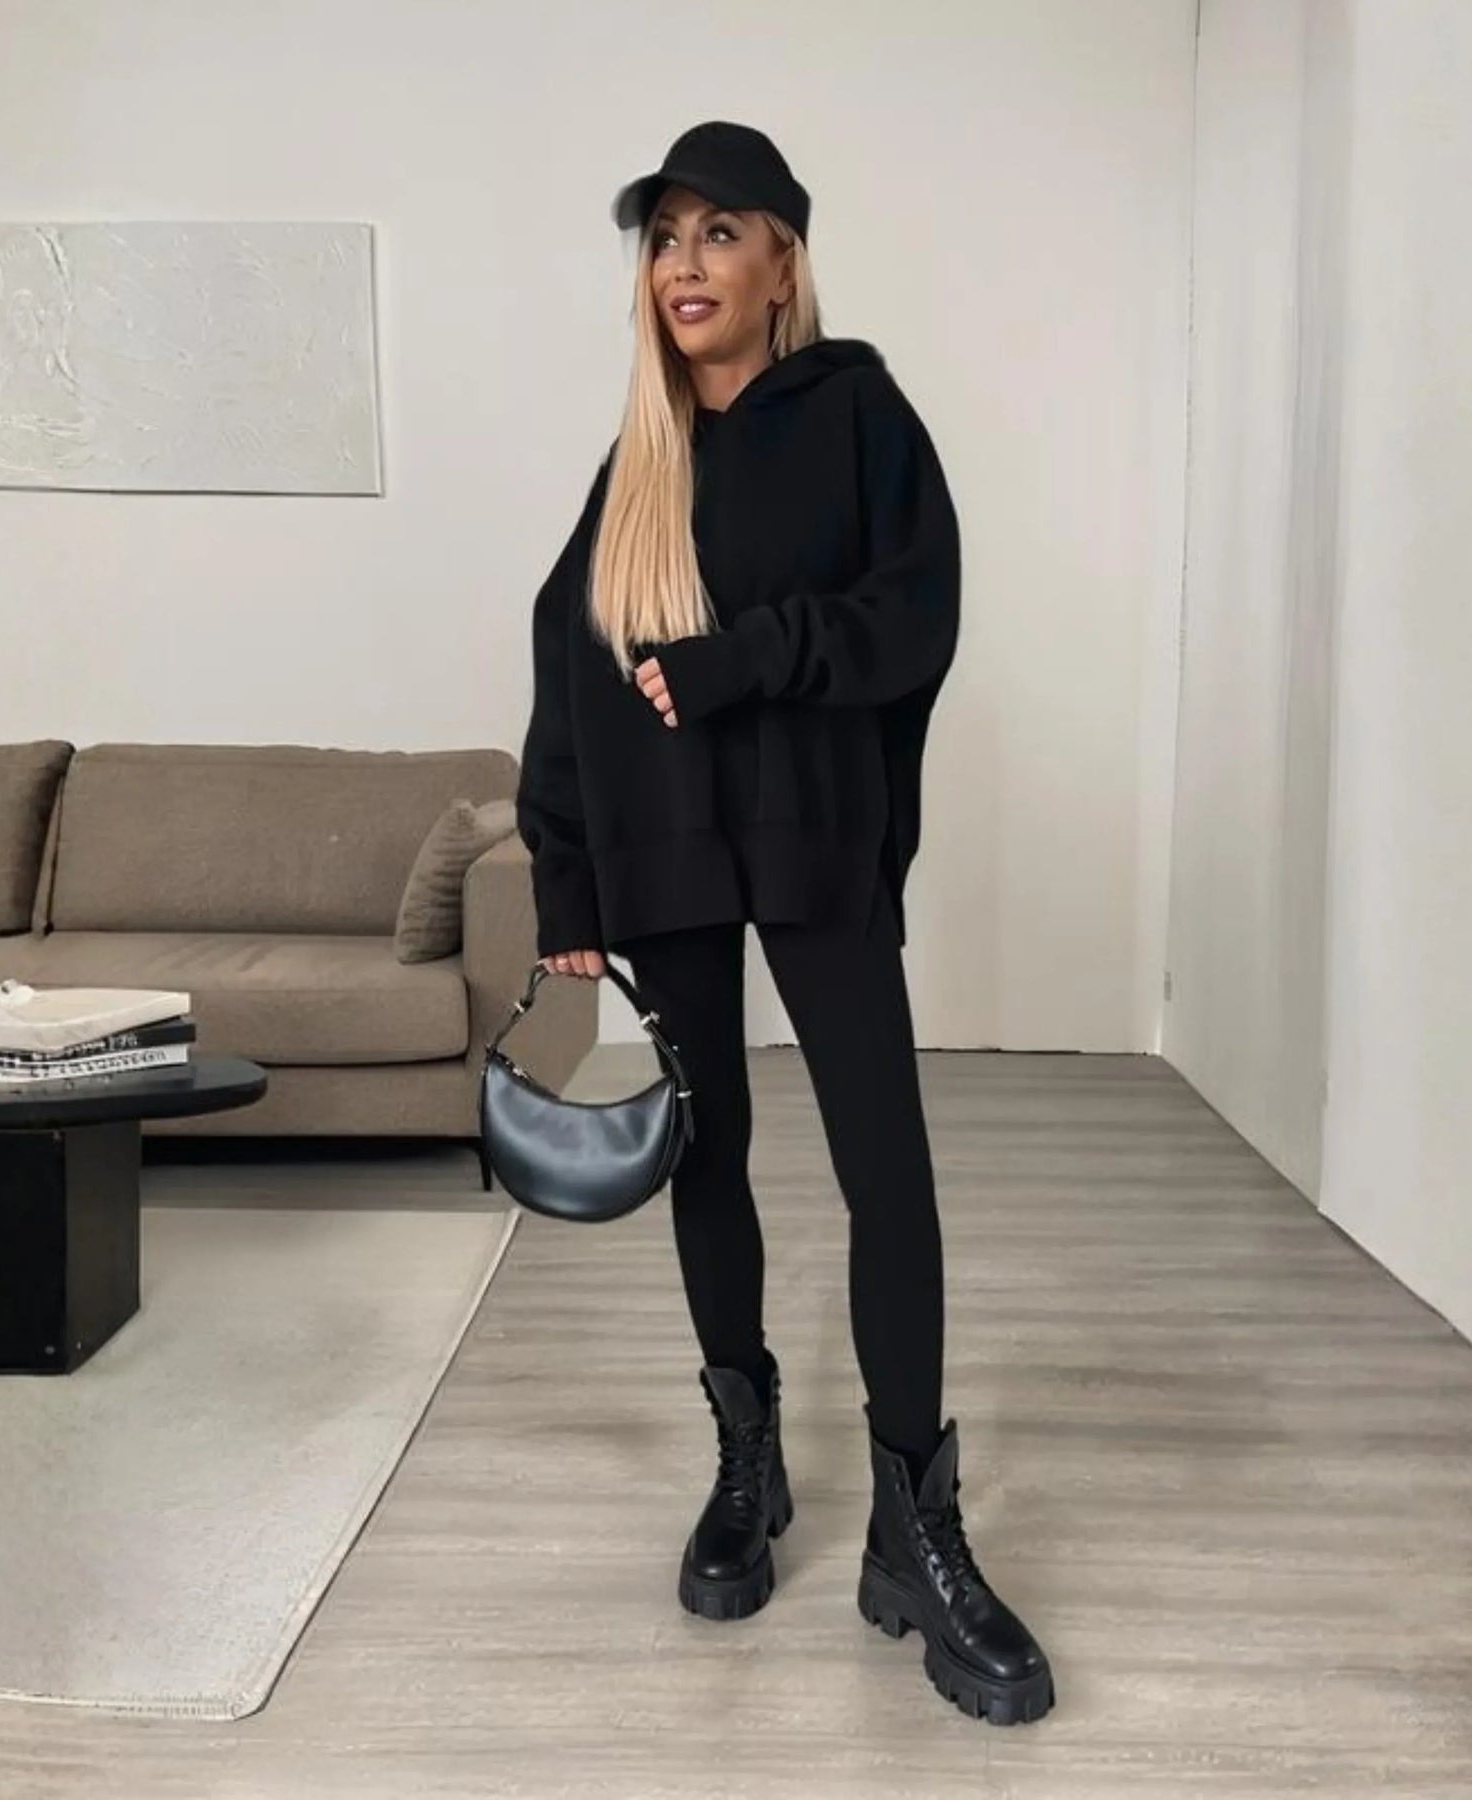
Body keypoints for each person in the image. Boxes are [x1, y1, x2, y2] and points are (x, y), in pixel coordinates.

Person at [514, 120, 1054, 1727]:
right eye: (663, 239)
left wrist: (749, 656)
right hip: (668, 854)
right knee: (711, 1153)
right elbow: (564, 663)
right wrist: (565, 884)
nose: (684, 264)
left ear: (782, 262)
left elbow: (914, 616)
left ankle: (915, 1527)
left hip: (816, 838)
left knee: (887, 1169)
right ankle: (747, 1460)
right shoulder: (637, 462)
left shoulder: (858, 414)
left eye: (718, 232)